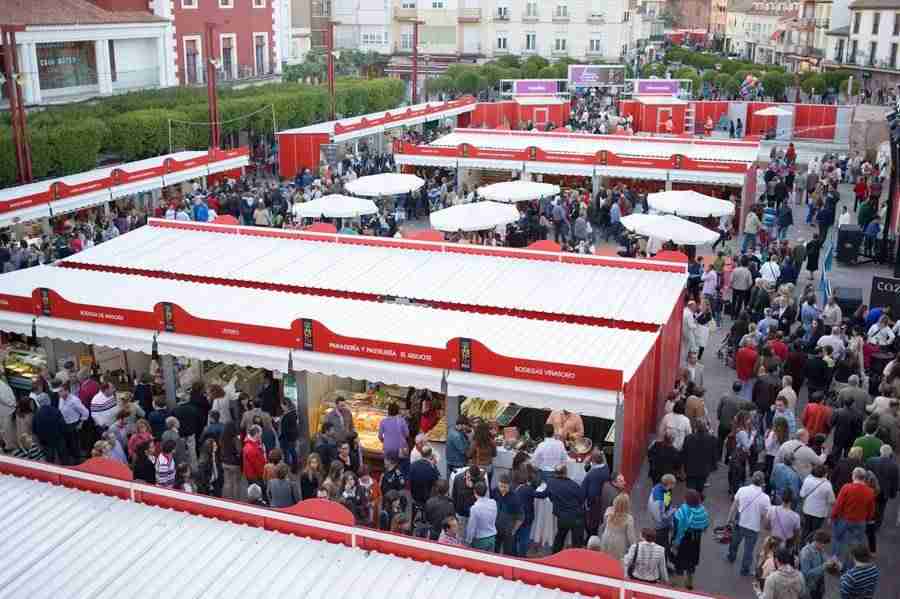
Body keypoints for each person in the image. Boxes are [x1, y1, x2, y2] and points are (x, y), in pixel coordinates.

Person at [727, 471, 772, 577]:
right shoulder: (765, 498)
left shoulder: (742, 490)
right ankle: (744, 569)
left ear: (752, 479)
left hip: (739, 523)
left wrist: (729, 519)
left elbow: (734, 506)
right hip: (753, 527)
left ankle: (731, 557)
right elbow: (766, 515)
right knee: (749, 550)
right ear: (763, 483)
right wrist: (766, 527)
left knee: (734, 542)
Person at [534, 463, 586, 553]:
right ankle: (576, 562)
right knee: (577, 544)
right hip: (577, 517)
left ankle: (555, 557)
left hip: (563, 517)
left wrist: (529, 490)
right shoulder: (574, 484)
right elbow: (581, 499)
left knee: (560, 538)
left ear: (555, 473)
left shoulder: (551, 483)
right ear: (566, 472)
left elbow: (542, 495)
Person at [832, 467, 876, 569]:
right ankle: (849, 566)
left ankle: (835, 563)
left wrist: (834, 516)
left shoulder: (846, 488)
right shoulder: (870, 491)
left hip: (844, 519)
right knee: (855, 545)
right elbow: (871, 509)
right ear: (864, 478)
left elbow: (838, 504)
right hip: (860, 522)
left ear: (854, 476)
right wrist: (868, 519)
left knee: (838, 539)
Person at [671, 489, 709, 590]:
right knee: (691, 563)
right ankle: (689, 583)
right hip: (696, 541)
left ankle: (678, 586)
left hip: (683, 541)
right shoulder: (702, 510)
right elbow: (705, 525)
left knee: (679, 564)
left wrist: (675, 542)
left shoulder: (683, 511)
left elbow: (676, 527)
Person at [681, 421, 717, 497]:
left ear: (695, 428)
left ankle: (691, 503)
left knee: (691, 488)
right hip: (704, 469)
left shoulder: (688, 438)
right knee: (700, 488)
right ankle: (697, 502)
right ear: (705, 428)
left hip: (690, 468)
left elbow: (684, 453)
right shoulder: (712, 439)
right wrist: (713, 466)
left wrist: (683, 466)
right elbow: (714, 455)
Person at [800, 464, 836, 540]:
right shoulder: (827, 485)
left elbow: (802, 494)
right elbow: (832, 501)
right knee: (814, 532)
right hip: (819, 513)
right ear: (824, 474)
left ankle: (801, 546)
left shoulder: (807, 480)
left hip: (807, 509)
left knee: (805, 530)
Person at [647, 473, 677, 563]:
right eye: (673, 484)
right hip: (660, 526)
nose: (674, 486)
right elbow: (662, 516)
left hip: (658, 521)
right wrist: (673, 510)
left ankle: (666, 559)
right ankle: (663, 564)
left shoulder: (659, 488)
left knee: (664, 544)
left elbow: (667, 502)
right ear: (668, 484)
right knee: (662, 545)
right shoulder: (659, 500)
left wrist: (669, 506)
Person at [598, 493, 637, 560]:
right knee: (616, 562)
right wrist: (635, 549)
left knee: (605, 559)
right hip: (619, 542)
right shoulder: (628, 518)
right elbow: (631, 537)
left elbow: (604, 525)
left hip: (606, 538)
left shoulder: (608, 511)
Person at [799, 530, 837, 599]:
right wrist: (824, 566)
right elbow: (806, 574)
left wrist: (832, 561)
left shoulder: (820, 548)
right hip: (810, 587)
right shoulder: (806, 553)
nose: (824, 547)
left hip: (819, 583)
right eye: (823, 544)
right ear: (817, 541)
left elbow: (824, 557)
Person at [582, 451, 610, 536]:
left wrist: (588, 505)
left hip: (593, 503)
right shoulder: (606, 467)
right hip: (601, 500)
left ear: (593, 461)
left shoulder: (592, 474)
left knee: (591, 524)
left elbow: (591, 493)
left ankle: (590, 539)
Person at [493, 474, 523, 555]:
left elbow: (520, 517)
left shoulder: (515, 497)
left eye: (504, 487)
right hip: (495, 529)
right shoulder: (495, 491)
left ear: (509, 486)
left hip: (508, 532)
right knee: (495, 550)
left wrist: (514, 530)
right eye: (500, 486)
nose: (502, 489)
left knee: (507, 553)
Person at [465, 481, 497, 551]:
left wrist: (468, 541)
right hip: (492, 538)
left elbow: (471, 527)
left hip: (480, 540)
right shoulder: (493, 503)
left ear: (474, 492)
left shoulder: (474, 508)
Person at [378, 403, 409, 471]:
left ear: (388, 411)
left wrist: (386, 441)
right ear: (398, 411)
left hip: (388, 449)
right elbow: (407, 434)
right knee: (401, 467)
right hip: (401, 449)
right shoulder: (402, 420)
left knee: (388, 468)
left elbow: (380, 436)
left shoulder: (383, 421)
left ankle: (389, 477)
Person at [242, 424, 266, 493]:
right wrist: (264, 474)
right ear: (256, 434)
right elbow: (257, 465)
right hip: (255, 476)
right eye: (260, 433)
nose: (261, 435)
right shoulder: (251, 449)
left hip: (253, 474)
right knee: (259, 493)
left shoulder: (253, 443)